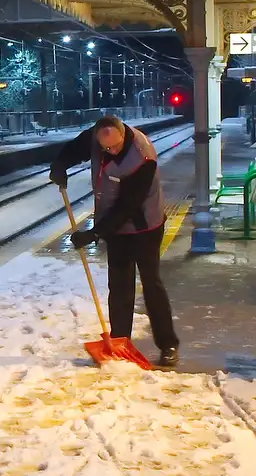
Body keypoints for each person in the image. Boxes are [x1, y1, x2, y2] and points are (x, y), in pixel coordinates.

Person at [50, 114, 179, 367]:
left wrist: (94, 233)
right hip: (116, 226)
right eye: (105, 147)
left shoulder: (142, 157)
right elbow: (75, 148)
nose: (110, 151)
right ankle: (121, 343)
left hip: (144, 226)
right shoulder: (99, 137)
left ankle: (168, 345)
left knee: (151, 284)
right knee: (119, 286)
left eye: (115, 146)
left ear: (124, 135)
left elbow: (126, 207)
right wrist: (59, 165)